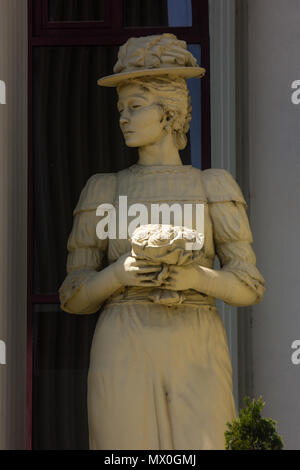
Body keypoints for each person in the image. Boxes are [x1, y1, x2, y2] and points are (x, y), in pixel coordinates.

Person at [59, 34, 265, 450]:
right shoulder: (104, 189)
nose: (123, 118)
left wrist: (194, 277)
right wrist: (120, 273)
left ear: (170, 113)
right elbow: (73, 296)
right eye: (121, 109)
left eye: (135, 107)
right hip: (124, 343)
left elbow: (248, 286)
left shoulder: (212, 186)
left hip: (196, 344)